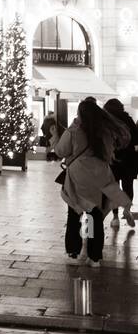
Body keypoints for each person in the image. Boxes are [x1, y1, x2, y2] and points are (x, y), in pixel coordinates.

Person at [54, 99, 135, 267]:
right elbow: (109, 154)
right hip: (100, 177)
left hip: (77, 179)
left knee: (74, 215)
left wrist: (60, 137)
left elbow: (60, 151)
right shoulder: (105, 132)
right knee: (94, 217)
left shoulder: (74, 130)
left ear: (80, 114)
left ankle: (74, 253)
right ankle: (95, 256)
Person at [103, 99, 137, 230]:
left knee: (114, 189)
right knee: (128, 186)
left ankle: (115, 218)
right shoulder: (128, 120)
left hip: (113, 159)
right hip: (129, 159)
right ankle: (127, 209)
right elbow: (136, 139)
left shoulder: (107, 121)